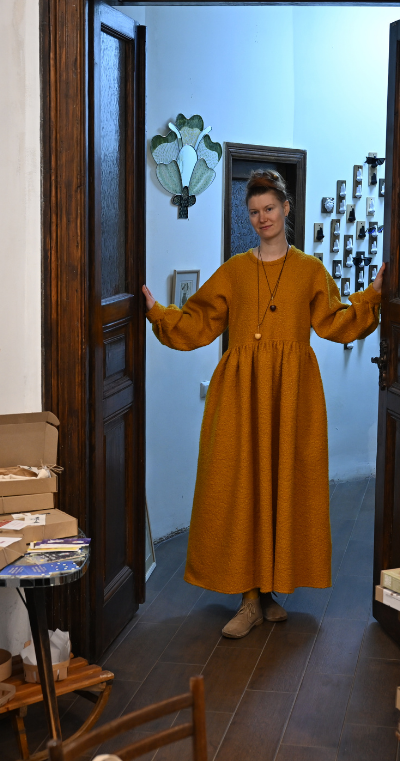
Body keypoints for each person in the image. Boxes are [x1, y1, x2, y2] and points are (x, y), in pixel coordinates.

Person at [143, 169, 386, 638]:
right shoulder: (235, 270)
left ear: (286, 208)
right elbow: (198, 322)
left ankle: (269, 591)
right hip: (240, 395)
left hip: (293, 395)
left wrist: (371, 297)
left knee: (283, 484)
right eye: (254, 212)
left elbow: (334, 322)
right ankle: (248, 599)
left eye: (269, 208)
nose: (262, 218)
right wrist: (158, 312)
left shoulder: (309, 270)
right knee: (240, 486)